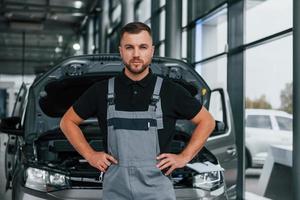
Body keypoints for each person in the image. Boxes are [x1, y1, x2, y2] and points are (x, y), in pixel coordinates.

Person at [60, 22, 215, 200]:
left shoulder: (170, 91)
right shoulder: (101, 90)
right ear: (120, 51)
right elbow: (67, 122)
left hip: (157, 190)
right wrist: (90, 155)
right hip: (116, 190)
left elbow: (207, 121)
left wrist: (184, 157)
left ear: (152, 50)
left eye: (142, 47)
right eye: (129, 47)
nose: (136, 54)